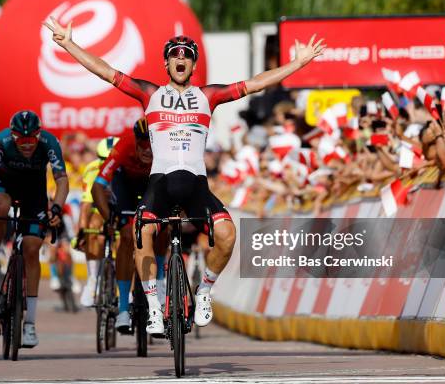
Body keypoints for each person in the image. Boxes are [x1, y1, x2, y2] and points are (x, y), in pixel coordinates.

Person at [44, 17, 325, 334]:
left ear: (193, 65)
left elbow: (257, 83)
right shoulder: (149, 94)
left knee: (228, 235)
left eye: (187, 55)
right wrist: (68, 44)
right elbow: (105, 71)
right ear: (166, 64)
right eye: (175, 54)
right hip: (160, 182)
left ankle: (204, 291)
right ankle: (152, 306)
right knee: (140, 232)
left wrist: (297, 64)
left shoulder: (209, 96)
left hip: (195, 185)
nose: (181, 58)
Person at [0, 110, 68, 348]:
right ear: (13, 136)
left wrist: (57, 207)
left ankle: (29, 324)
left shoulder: (50, 142)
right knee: (1, 208)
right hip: (4, 186)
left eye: (32, 139)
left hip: (34, 192)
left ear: (39, 135)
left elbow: (62, 179)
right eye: (22, 140)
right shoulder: (1, 141)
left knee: (31, 249)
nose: (28, 144)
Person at [91, 119, 168, 333]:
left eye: (152, 143)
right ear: (135, 141)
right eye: (142, 142)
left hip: (153, 183)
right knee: (126, 236)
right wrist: (110, 219)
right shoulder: (123, 145)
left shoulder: (168, 148)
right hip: (125, 183)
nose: (147, 149)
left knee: (164, 226)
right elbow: (97, 187)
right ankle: (123, 308)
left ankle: (159, 283)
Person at [76, 136, 119, 306]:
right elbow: (86, 203)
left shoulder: (127, 169)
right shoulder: (92, 169)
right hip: (100, 209)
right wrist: (82, 229)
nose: (106, 164)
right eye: (102, 159)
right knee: (93, 227)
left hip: (122, 206)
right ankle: (93, 279)